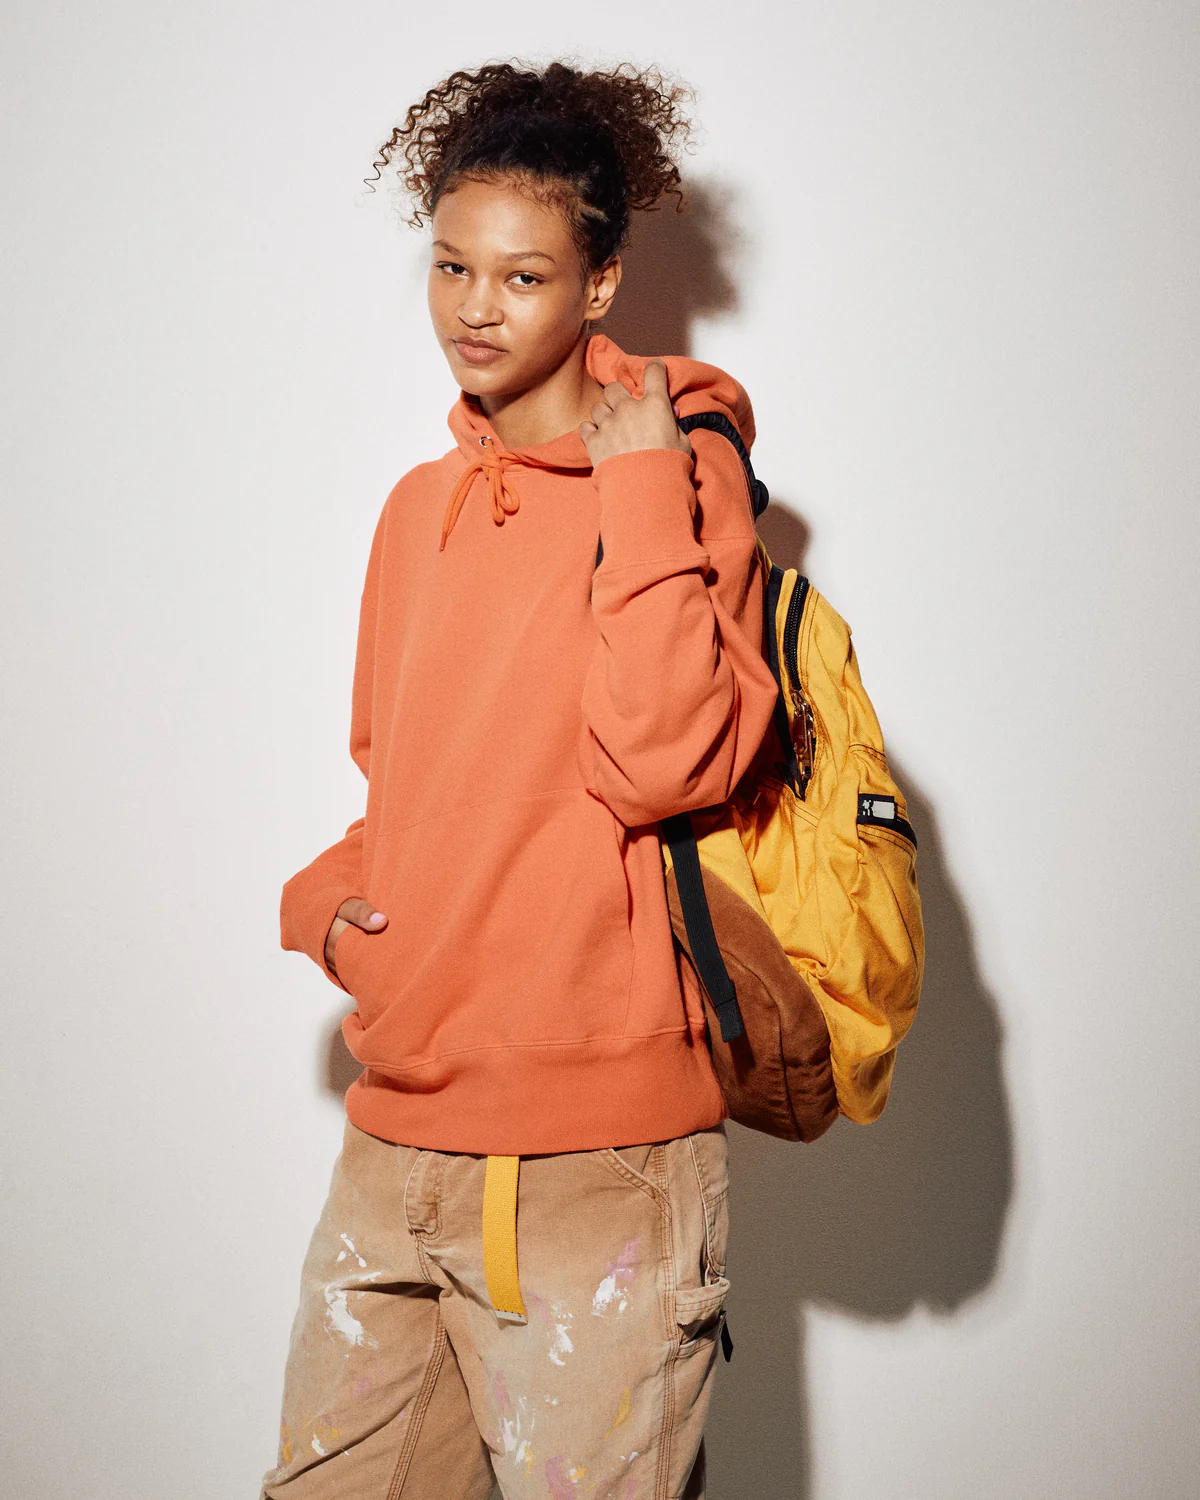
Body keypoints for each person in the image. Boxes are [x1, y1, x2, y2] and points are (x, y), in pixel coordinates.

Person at [260, 59, 780, 1500]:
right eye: (450, 266)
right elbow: (405, 779)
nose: (473, 310)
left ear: (601, 284)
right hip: (398, 1140)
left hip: (594, 1163)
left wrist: (641, 488)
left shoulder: (679, 482)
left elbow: (669, 762)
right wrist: (333, 911)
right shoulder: (415, 511)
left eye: (523, 275)